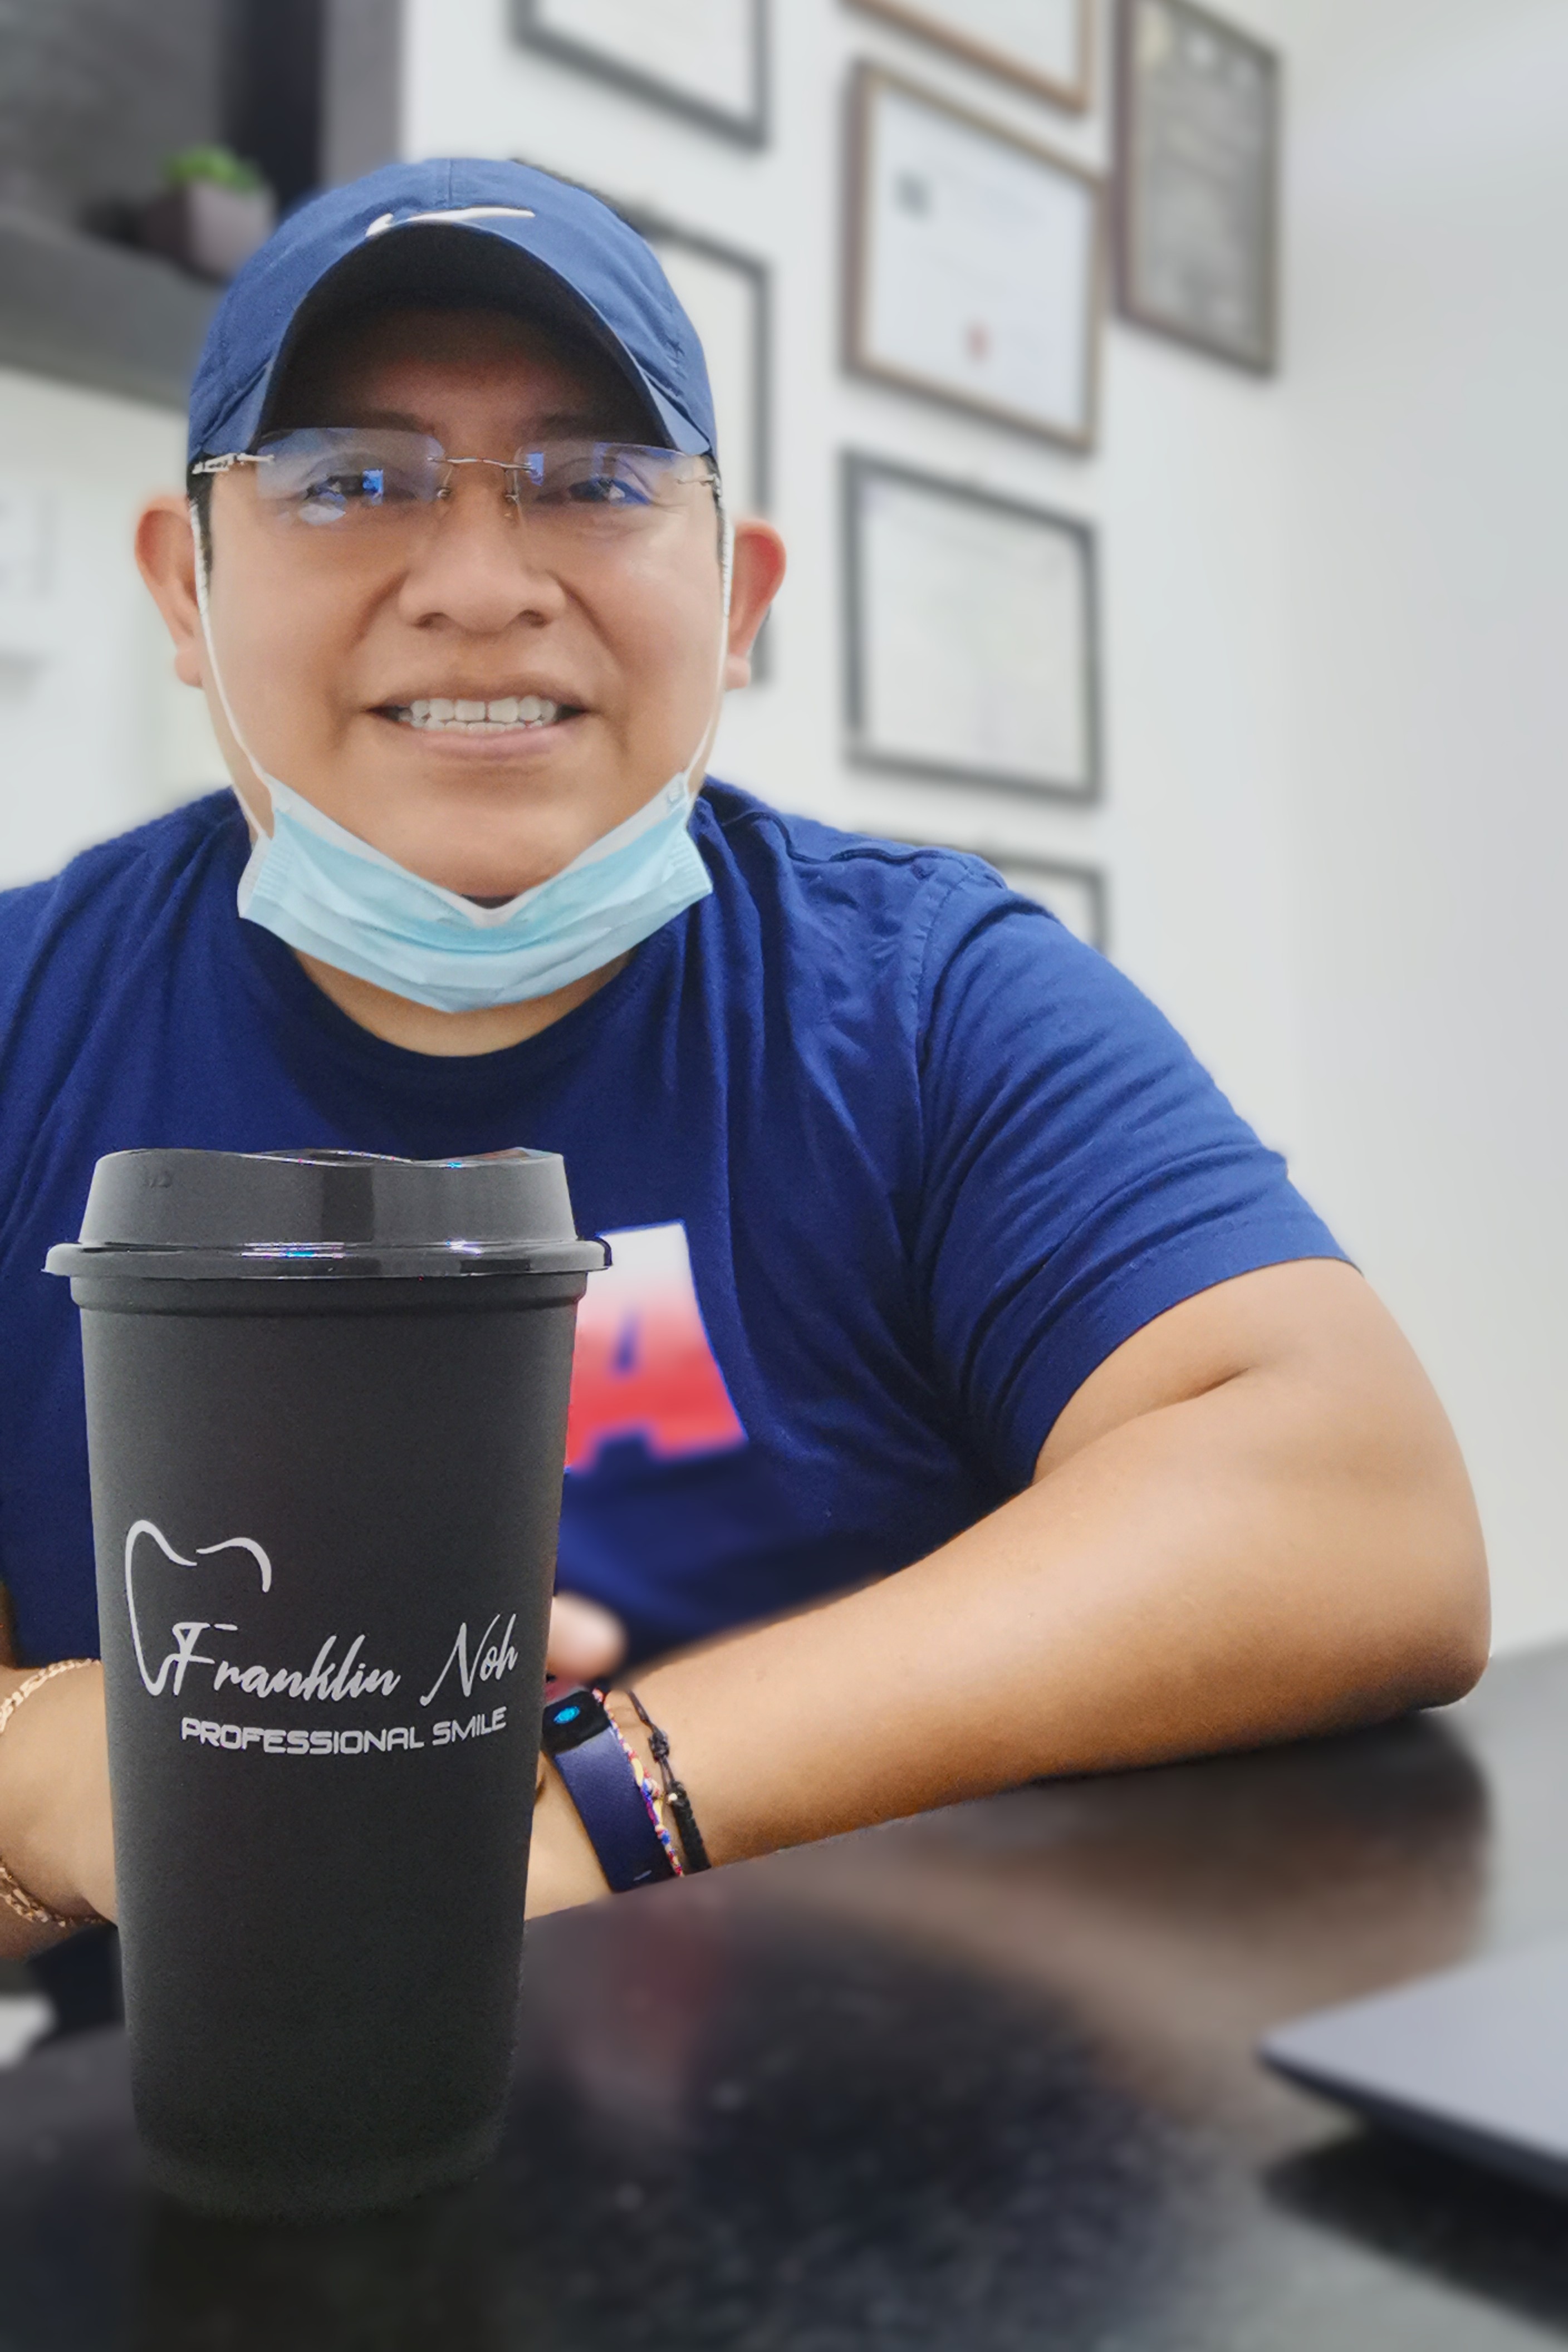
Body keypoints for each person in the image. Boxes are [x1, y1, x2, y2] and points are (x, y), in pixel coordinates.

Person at [0, 158, 1486, 1955]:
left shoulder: (922, 993)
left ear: (737, 597)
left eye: (596, 481)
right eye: (351, 481)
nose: (478, 581)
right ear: (186, 584)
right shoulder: (28, 1019)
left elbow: (1356, 1500)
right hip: (216, 2152)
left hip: (908, 2133)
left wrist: (598, 1802)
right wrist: (43, 1766)